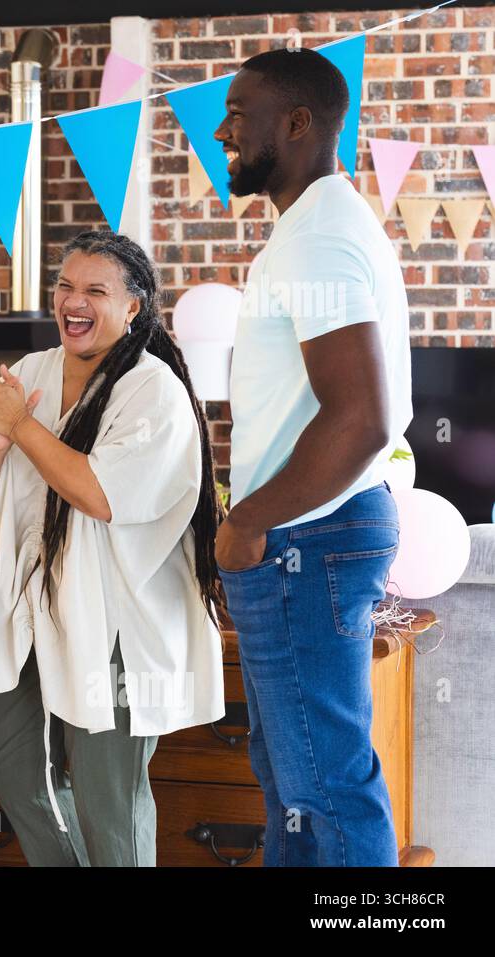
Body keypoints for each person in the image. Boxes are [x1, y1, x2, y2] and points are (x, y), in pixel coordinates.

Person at [0, 230, 225, 866]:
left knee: (108, 797)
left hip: (117, 621)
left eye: (96, 290)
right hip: (30, 613)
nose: (75, 301)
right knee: (16, 770)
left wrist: (20, 425)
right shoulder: (29, 374)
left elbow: (100, 494)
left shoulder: (152, 389)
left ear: (133, 307)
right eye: (66, 286)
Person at [212, 48, 411, 867]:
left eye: (240, 113)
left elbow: (363, 415)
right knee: (296, 791)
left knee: (323, 788)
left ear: (298, 124)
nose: (221, 130)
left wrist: (250, 519)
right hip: (311, 536)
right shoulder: (321, 225)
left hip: (307, 537)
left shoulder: (318, 238)